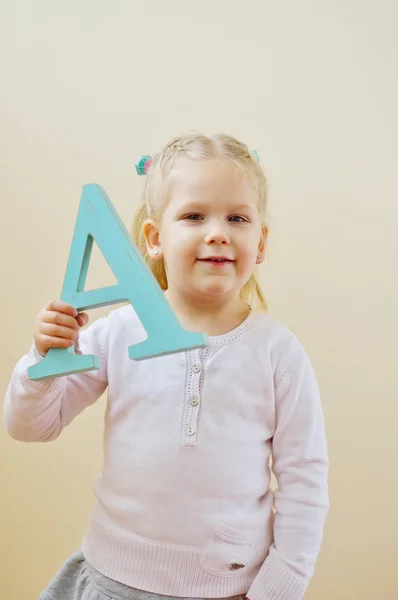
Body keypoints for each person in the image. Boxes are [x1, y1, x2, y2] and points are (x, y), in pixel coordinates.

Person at [3, 133, 329, 600]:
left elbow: (306, 483)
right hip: (111, 582)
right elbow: (30, 427)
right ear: (155, 239)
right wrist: (43, 358)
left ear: (260, 242)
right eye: (194, 216)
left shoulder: (278, 352)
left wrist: (276, 590)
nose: (217, 231)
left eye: (237, 218)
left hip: (229, 590)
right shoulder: (119, 331)